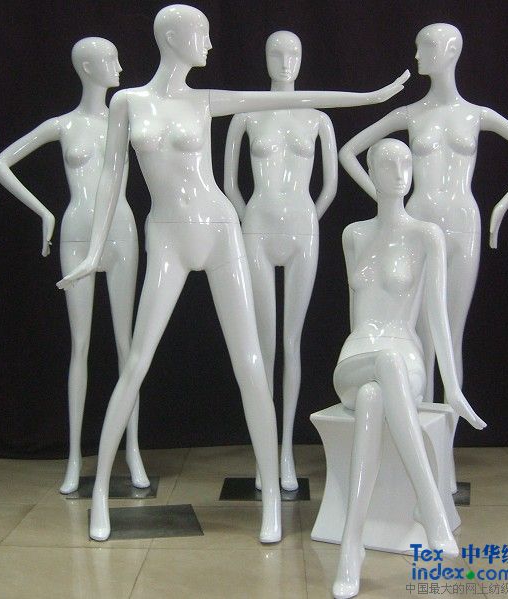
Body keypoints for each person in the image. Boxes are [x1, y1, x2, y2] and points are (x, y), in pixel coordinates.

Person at [57, 5, 410, 543]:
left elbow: (292, 99)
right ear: (173, 38)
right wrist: (91, 252)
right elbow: (110, 180)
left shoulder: (203, 100)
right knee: (136, 361)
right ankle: (101, 494)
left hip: (220, 229)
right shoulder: (128, 103)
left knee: (250, 363)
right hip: (167, 235)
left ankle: (270, 501)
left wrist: (369, 98)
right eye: (200, 34)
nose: (209, 45)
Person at [338, 23, 508, 492]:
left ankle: (444, 462)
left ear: (449, 50)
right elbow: (349, 151)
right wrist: (385, 201)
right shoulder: (410, 114)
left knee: (450, 335)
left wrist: (500, 206)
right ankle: (417, 451)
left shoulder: (476, 115)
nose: (417, 56)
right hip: (417, 222)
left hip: (462, 225)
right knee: (417, 340)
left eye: (424, 47)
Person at [0, 38, 148, 495]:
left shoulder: (128, 118)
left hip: (121, 232)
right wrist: (44, 212)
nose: (120, 67)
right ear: (87, 67)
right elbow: (1, 163)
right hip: (77, 233)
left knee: (127, 345)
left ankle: (132, 449)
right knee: (80, 345)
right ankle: (76, 456)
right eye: (110, 60)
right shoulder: (62, 126)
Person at [332, 139, 486, 599]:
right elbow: (354, 312)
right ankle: (430, 505)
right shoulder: (353, 235)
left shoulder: (426, 235)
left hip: (405, 356)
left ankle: (351, 546)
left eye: (406, 162)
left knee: (375, 394)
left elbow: (437, 317)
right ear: (370, 171)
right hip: (357, 356)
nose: (400, 172)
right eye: (387, 163)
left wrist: (452, 387)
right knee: (377, 371)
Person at [224, 31, 338, 491]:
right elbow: (229, 183)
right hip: (257, 226)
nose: (285, 60)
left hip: (302, 228)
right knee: (264, 343)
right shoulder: (246, 115)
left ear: (303, 57)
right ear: (264, 57)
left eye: (293, 52)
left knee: (291, 342)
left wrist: (309, 217)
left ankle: (286, 448)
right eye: (276, 52)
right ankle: (264, 452)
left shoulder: (318, 118)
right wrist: (247, 216)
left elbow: (329, 185)